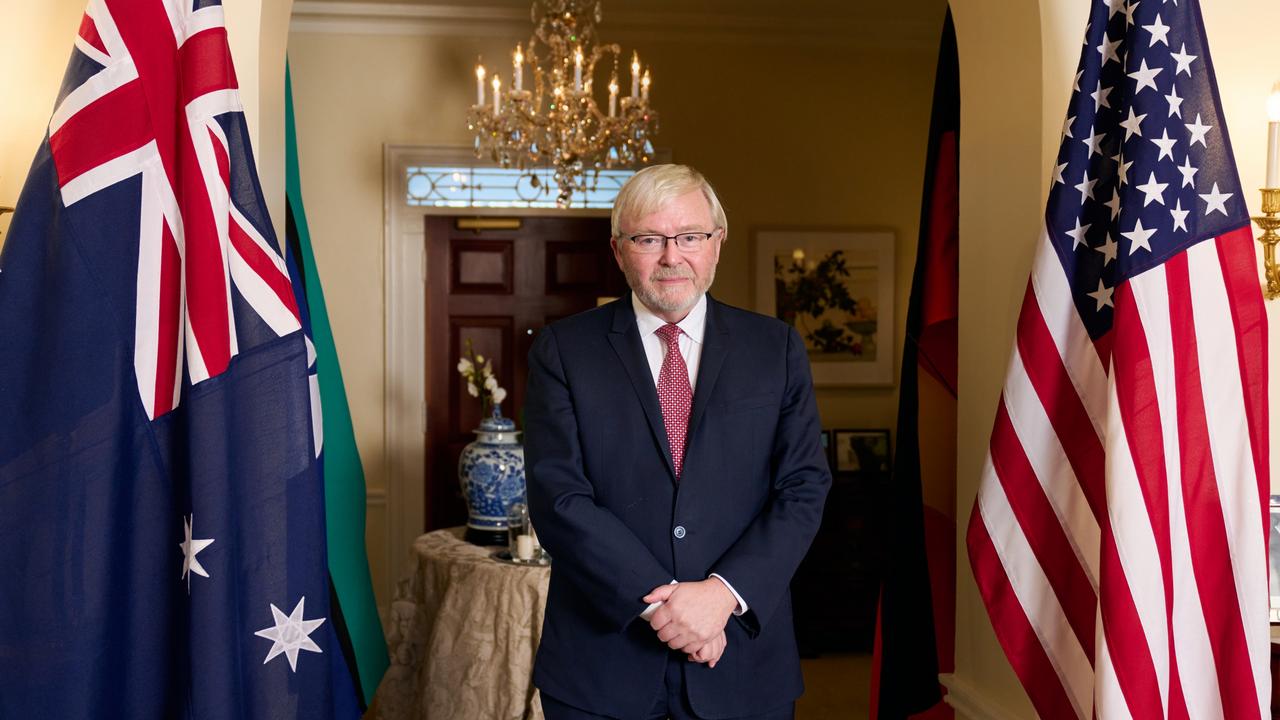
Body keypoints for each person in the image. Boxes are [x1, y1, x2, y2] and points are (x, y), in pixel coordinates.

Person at [524, 164, 831, 720]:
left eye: (690, 236)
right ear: (619, 250)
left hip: (742, 662)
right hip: (600, 669)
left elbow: (803, 488)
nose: (672, 257)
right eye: (649, 239)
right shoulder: (564, 351)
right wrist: (667, 608)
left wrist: (720, 596)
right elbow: (559, 498)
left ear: (718, 244)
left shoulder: (775, 349)